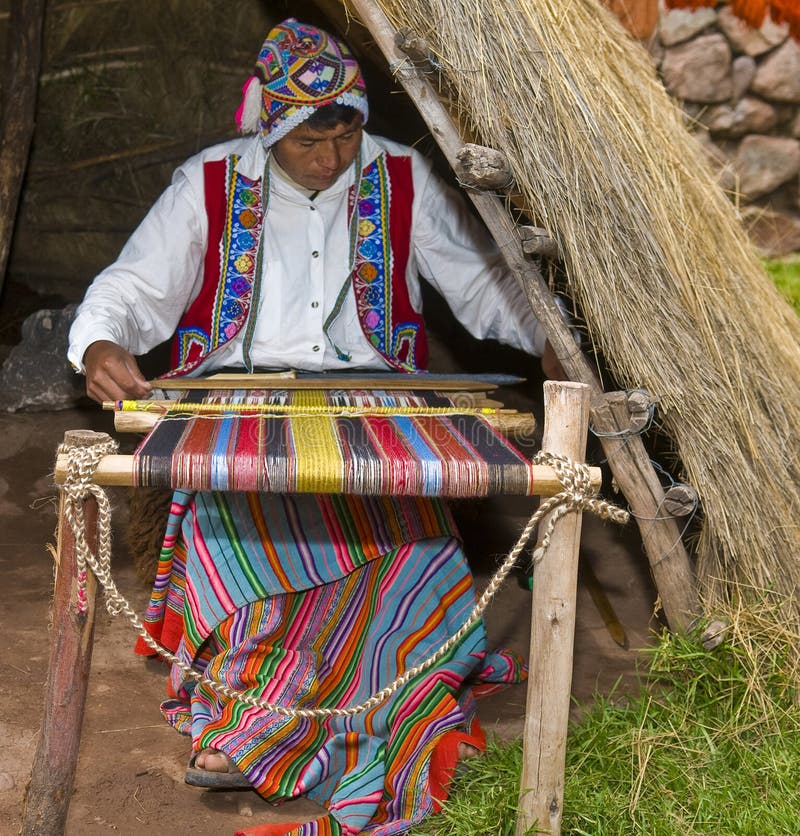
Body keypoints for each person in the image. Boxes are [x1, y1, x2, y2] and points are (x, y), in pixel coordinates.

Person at [69, 19, 554, 836]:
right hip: (240, 405)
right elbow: (132, 286)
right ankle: (264, 710)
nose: (330, 157)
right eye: (306, 141)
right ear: (268, 127)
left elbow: (483, 289)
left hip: (375, 402)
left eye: (345, 133)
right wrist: (100, 340)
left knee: (404, 524)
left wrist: (555, 336)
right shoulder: (211, 182)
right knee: (260, 518)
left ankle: (380, 688)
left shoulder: (401, 177)